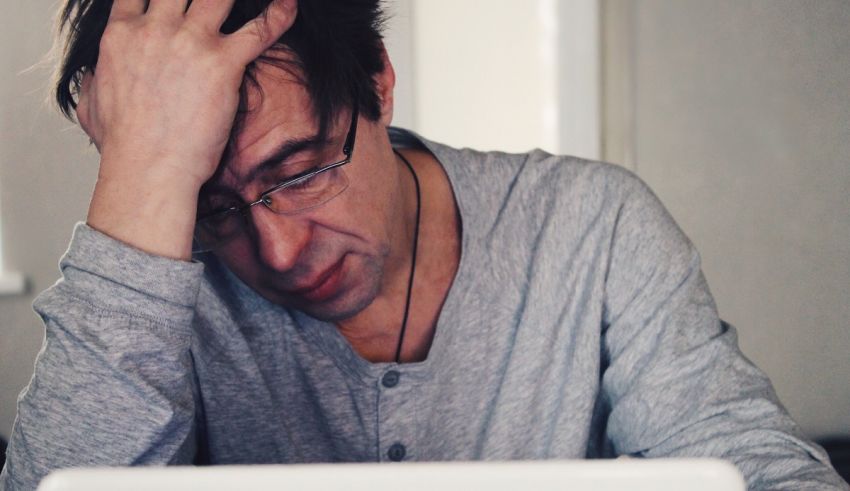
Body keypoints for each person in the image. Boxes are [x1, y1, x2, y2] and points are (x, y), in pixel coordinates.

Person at [0, 0, 846, 490]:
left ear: (377, 79)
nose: (282, 250)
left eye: (301, 171)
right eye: (213, 207)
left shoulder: (593, 224)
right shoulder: (162, 264)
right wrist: (143, 191)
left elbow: (756, 462)